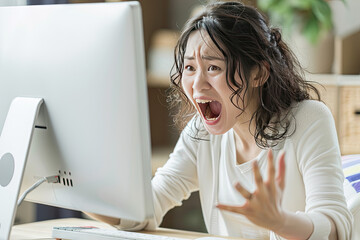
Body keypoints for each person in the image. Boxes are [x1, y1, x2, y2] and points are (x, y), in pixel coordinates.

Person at [87, 2, 353, 239]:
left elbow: (334, 227)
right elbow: (148, 208)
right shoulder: (200, 133)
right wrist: (82, 192)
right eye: (190, 67)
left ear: (258, 73)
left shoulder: (309, 119)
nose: (197, 84)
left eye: (213, 67)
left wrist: (280, 222)